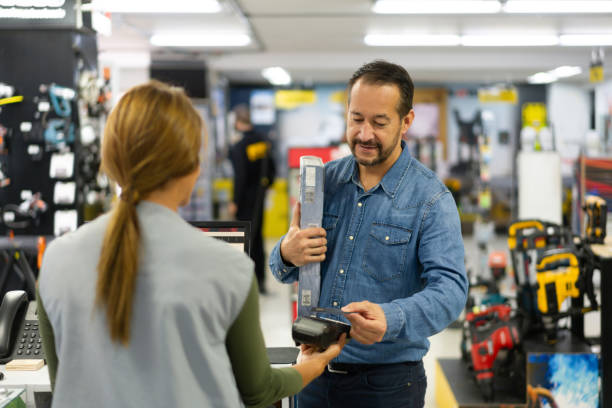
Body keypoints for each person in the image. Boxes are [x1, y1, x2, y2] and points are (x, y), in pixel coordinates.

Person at [36, 80, 345, 408]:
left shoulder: (56, 259)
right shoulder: (228, 267)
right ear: (189, 167)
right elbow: (257, 391)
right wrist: (311, 365)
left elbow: (63, 383)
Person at [269, 60, 468, 408]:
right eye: (356, 119)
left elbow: (450, 292)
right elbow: (280, 268)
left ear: (406, 122)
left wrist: (392, 319)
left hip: (387, 387)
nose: (364, 134)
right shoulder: (324, 182)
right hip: (312, 373)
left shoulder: (431, 199)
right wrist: (287, 252)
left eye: (379, 123)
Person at [229, 104, 276, 294]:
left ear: (238, 123)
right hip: (259, 198)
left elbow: (239, 176)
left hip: (245, 200)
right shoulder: (262, 141)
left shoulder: (239, 146)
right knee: (258, 240)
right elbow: (272, 169)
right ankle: (261, 282)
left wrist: (235, 201)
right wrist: (265, 187)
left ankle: (245, 285)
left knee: (244, 242)